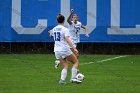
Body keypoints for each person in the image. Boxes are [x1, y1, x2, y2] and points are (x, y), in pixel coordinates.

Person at [50, 14, 81, 84]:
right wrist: (74, 48)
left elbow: (51, 35)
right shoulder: (65, 29)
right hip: (64, 49)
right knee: (75, 62)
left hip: (56, 50)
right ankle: (73, 78)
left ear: (57, 20)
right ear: (64, 21)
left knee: (66, 65)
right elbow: (67, 39)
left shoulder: (54, 29)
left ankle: (62, 80)